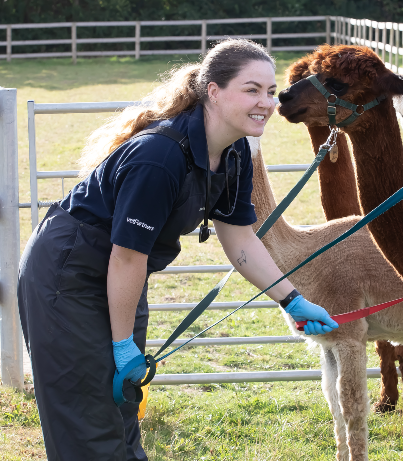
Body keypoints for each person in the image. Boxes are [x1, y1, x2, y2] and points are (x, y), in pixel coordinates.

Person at [17, 39, 339, 461]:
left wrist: (293, 300)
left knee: (122, 404)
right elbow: (126, 256)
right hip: (67, 273)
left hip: (120, 274)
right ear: (213, 91)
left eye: (269, 90)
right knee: (86, 413)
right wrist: (121, 345)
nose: (266, 102)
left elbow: (241, 239)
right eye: (251, 89)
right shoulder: (159, 156)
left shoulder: (235, 151)